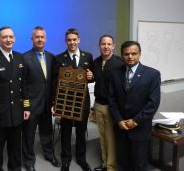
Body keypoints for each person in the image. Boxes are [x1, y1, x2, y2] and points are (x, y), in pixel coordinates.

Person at [0, 26, 30, 171]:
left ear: (14, 39)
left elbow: (24, 84)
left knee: (15, 150)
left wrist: (26, 107)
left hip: (17, 113)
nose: (8, 40)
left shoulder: (20, 58)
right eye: (5, 37)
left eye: (11, 37)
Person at [108, 40, 161, 171]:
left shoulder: (152, 74)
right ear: (121, 55)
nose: (130, 56)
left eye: (133, 53)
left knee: (139, 163)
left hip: (140, 128)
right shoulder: (114, 73)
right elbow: (111, 99)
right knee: (123, 162)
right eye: (126, 54)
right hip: (121, 127)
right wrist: (119, 120)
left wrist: (136, 121)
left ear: (139, 54)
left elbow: (153, 103)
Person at [53, 28, 94, 171]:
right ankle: (66, 159)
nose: (72, 42)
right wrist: (55, 104)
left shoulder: (88, 56)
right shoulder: (58, 58)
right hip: (65, 103)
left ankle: (82, 159)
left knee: (81, 131)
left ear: (79, 40)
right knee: (65, 132)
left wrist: (91, 77)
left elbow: (91, 77)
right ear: (66, 41)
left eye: (74, 39)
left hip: (83, 102)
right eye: (69, 40)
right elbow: (55, 82)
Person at [22, 26, 61, 171]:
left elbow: (54, 82)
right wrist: (26, 105)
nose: (40, 39)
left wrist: (54, 102)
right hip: (32, 105)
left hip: (47, 105)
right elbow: (23, 85)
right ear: (32, 39)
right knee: (29, 135)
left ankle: (49, 154)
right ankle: (29, 161)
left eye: (42, 37)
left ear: (46, 39)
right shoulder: (24, 58)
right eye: (37, 37)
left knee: (47, 132)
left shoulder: (52, 57)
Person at [92, 35, 123, 171]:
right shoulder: (96, 62)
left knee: (111, 138)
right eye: (103, 44)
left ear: (113, 46)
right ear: (99, 46)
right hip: (98, 104)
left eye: (109, 44)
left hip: (111, 107)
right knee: (102, 136)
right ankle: (105, 163)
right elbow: (93, 79)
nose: (106, 46)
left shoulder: (120, 63)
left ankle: (111, 167)